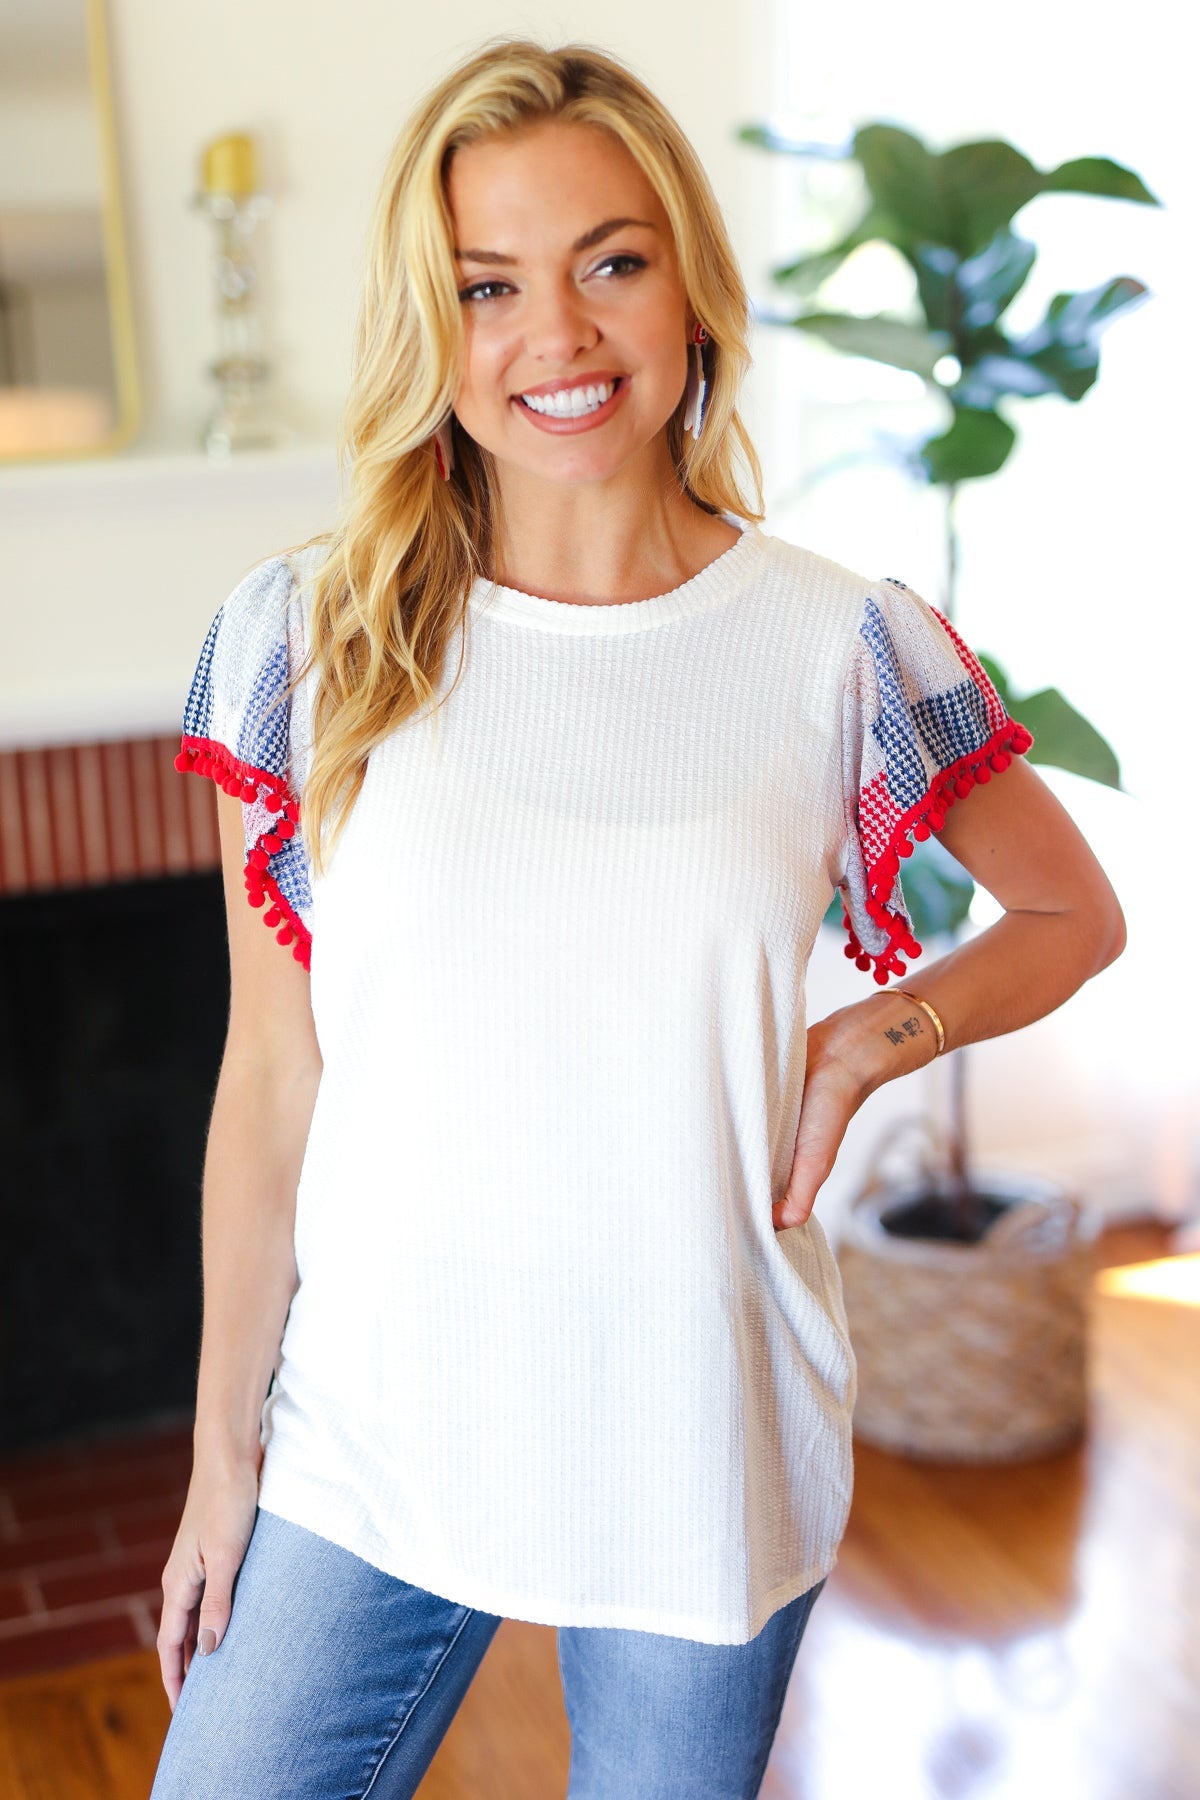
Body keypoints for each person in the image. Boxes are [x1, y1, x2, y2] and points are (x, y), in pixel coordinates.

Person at [149, 36, 1125, 1800]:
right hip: (371, 1438)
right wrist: (224, 1458)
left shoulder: (840, 643)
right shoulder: (312, 645)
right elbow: (273, 1080)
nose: (561, 336)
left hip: (700, 1438)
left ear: (691, 283)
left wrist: (870, 1039)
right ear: (431, 332)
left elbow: (1074, 908)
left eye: (611, 261)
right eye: (489, 287)